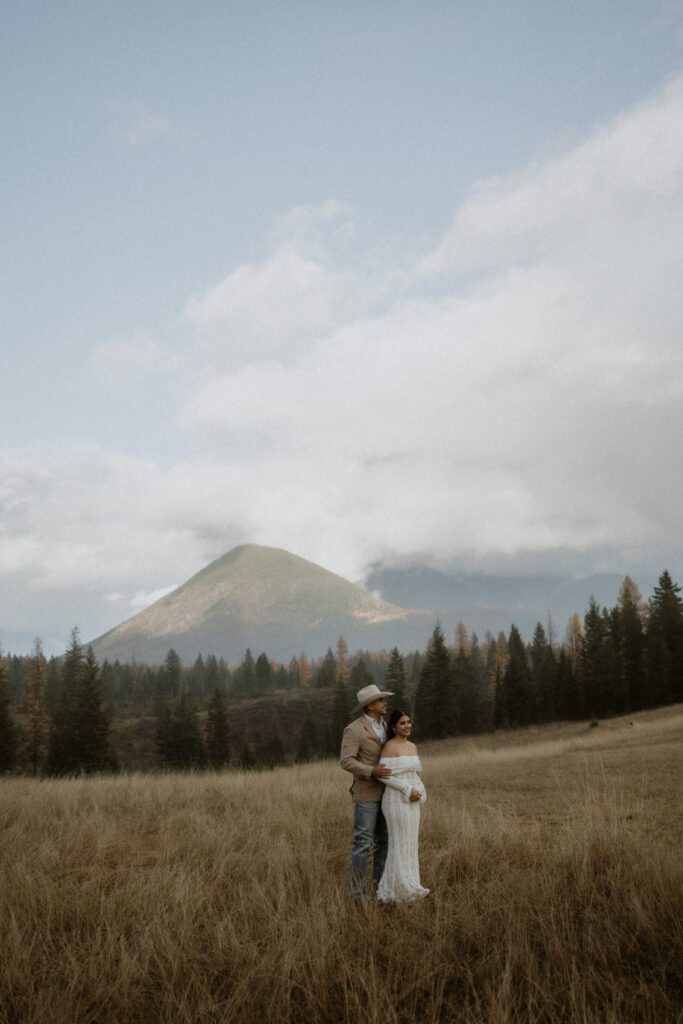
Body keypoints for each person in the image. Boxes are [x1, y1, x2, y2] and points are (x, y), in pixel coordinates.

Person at [340, 683, 395, 901]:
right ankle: (358, 894)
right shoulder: (354, 729)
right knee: (362, 843)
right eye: (381, 700)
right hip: (366, 794)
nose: (385, 702)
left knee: (384, 841)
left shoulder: (387, 726)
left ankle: (381, 888)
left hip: (389, 794)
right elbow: (346, 761)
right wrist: (371, 771)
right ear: (371, 705)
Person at [376, 708, 429, 903]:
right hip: (396, 800)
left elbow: (416, 772)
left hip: (413, 801)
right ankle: (393, 890)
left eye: (409, 722)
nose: (407, 726)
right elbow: (385, 776)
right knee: (399, 843)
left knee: (410, 843)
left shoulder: (413, 747)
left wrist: (418, 790)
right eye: (402, 723)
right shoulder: (390, 746)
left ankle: (411, 884)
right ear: (393, 727)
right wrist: (407, 789)